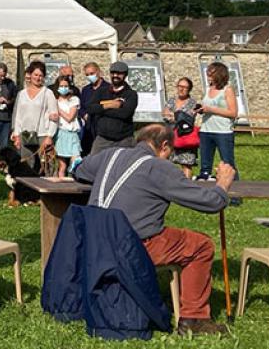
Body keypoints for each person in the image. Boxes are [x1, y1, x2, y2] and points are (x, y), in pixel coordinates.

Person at [74, 124, 236, 336]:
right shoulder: (158, 167)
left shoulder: (110, 155)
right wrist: (223, 184)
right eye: (171, 152)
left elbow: (79, 170)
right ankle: (194, 319)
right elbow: (211, 203)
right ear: (165, 146)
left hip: (94, 242)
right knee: (201, 245)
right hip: (132, 247)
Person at [11, 61, 57, 175]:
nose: (38, 78)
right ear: (30, 75)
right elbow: (18, 115)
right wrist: (16, 134)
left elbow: (54, 116)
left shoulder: (48, 93)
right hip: (25, 134)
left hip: (43, 134)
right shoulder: (21, 94)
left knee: (47, 166)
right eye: (36, 75)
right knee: (27, 165)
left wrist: (50, 136)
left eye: (41, 75)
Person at [196, 62, 239, 182]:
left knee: (228, 163)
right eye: (208, 72)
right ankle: (206, 195)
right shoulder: (208, 89)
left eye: (211, 72)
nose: (208, 74)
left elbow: (233, 113)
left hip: (223, 132)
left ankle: (235, 195)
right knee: (205, 165)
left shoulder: (227, 89)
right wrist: (201, 109)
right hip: (205, 130)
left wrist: (211, 109)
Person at [86, 61, 138, 156]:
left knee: (124, 166)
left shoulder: (131, 94)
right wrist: (109, 105)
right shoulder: (101, 91)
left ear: (125, 75)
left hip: (124, 140)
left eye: (119, 73)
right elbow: (90, 108)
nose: (115, 75)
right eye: (113, 73)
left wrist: (101, 110)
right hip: (103, 139)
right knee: (93, 164)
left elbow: (125, 113)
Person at [163, 77, 199, 178]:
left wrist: (174, 115)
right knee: (166, 164)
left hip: (185, 137)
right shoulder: (171, 100)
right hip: (170, 136)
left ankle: (186, 188)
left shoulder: (192, 103)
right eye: (180, 86)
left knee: (186, 164)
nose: (181, 89)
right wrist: (178, 115)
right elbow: (165, 114)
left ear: (189, 89)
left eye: (185, 87)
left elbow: (188, 118)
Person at [52, 74, 81, 177]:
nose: (63, 88)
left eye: (66, 86)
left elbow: (70, 117)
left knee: (76, 159)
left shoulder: (74, 100)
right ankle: (61, 185)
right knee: (62, 165)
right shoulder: (54, 101)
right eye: (61, 86)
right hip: (61, 133)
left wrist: (58, 110)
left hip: (72, 133)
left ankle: (74, 180)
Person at [79, 63, 106, 156]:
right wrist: (84, 114)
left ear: (98, 72)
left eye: (91, 73)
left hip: (103, 127)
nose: (90, 76)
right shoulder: (86, 90)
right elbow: (81, 107)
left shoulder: (108, 88)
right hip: (89, 128)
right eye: (87, 75)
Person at [0, 63, 16, 153]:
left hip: (6, 118)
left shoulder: (10, 84)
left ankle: (1, 161)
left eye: (4, 76)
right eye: (0, 76)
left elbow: (14, 98)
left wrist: (7, 101)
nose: (2, 78)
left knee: (4, 143)